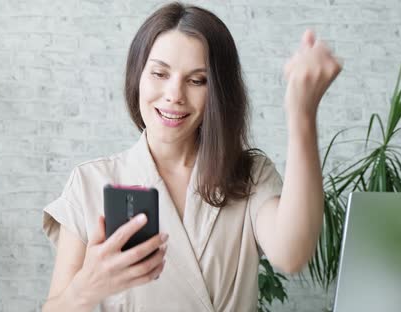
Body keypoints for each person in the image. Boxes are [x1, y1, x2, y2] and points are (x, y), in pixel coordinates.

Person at [42, 2, 342, 311]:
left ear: (219, 92)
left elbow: (291, 252)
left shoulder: (248, 174)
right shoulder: (90, 183)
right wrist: (86, 288)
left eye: (197, 80)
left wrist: (302, 114)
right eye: (159, 73)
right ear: (137, 77)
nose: (174, 95)